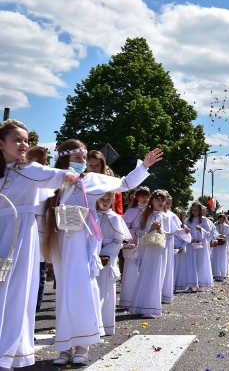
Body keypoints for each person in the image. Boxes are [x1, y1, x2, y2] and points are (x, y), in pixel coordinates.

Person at [42, 139, 162, 366]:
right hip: (61, 242)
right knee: (64, 294)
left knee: (84, 290)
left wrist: (144, 166)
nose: (83, 162)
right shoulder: (55, 180)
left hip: (84, 243)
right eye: (78, 158)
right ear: (65, 158)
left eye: (84, 159)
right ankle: (64, 346)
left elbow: (125, 183)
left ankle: (82, 345)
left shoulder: (92, 180)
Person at [0, 120, 78, 371]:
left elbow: (58, 176)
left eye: (26, 140)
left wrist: (69, 174)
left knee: (14, 294)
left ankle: (6, 353)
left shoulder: (32, 170)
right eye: (17, 140)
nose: (23, 145)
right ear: (1, 144)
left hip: (20, 236)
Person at [129, 189, 168, 318]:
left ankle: (151, 307)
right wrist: (150, 229)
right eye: (157, 199)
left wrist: (160, 230)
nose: (160, 201)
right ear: (152, 201)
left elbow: (171, 234)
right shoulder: (146, 215)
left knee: (156, 276)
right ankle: (141, 306)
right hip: (147, 249)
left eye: (162, 199)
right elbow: (138, 231)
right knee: (145, 274)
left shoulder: (166, 216)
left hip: (159, 250)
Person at [95, 191, 130, 335]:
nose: (104, 201)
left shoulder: (115, 218)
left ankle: (105, 325)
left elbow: (119, 241)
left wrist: (103, 253)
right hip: (92, 257)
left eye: (108, 199)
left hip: (107, 259)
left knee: (106, 292)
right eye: (101, 198)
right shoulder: (91, 215)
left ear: (113, 200)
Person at [26, 145, 53, 314]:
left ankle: (33, 311)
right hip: (23, 229)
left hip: (41, 231)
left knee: (38, 271)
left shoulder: (48, 179)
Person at [119, 187, 150, 309]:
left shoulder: (150, 211)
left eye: (147, 196)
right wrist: (132, 232)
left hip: (146, 241)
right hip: (133, 242)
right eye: (142, 196)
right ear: (137, 197)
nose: (145, 199)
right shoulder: (131, 211)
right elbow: (123, 225)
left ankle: (141, 298)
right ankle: (128, 299)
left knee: (143, 270)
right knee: (131, 270)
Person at [184, 202, 214, 291]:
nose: (194, 212)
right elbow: (185, 231)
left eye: (196, 210)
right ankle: (191, 284)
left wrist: (201, 230)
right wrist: (189, 237)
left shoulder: (205, 220)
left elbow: (209, 233)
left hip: (202, 245)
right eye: (193, 210)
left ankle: (200, 282)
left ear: (200, 210)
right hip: (191, 245)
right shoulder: (188, 220)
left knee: (200, 263)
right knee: (190, 263)